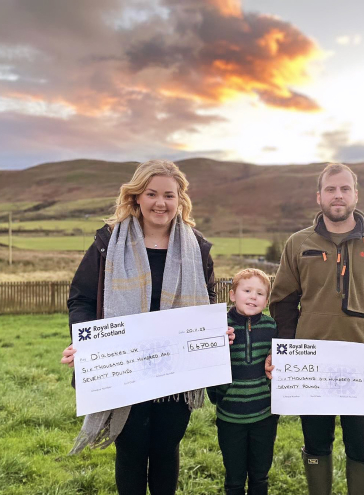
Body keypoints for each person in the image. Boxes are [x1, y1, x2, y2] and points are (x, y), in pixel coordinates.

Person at [59, 159, 234, 495]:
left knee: (167, 450)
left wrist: (215, 331)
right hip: (126, 370)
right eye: (151, 193)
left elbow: (208, 299)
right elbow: (80, 299)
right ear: (136, 196)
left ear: (180, 199)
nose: (160, 202)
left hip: (176, 373)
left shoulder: (196, 246)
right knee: (131, 452)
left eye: (169, 195)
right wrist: (85, 343)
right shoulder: (109, 242)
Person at [267, 163, 364, 495]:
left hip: (363, 363)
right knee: (316, 443)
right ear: (319, 196)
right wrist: (281, 352)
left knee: (360, 445)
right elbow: (282, 303)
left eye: (345, 189)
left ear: (355, 194)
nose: (338, 196)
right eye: (331, 189)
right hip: (312, 364)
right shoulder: (298, 243)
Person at [207, 268, 278, 495]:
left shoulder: (272, 327)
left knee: (260, 476)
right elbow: (208, 366)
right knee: (234, 478)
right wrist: (219, 396)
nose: (253, 297)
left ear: (266, 300)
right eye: (247, 290)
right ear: (232, 294)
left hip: (264, 415)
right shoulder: (218, 327)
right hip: (230, 417)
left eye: (260, 293)